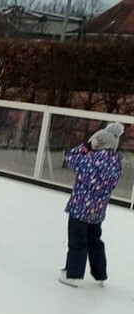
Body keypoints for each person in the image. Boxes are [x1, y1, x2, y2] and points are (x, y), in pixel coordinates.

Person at [60, 122, 124, 288]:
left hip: (80, 209)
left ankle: (73, 275)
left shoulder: (90, 160)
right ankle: (100, 274)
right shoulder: (116, 164)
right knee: (95, 241)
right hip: (97, 211)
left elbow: (70, 158)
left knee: (77, 242)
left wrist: (87, 146)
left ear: (99, 143)